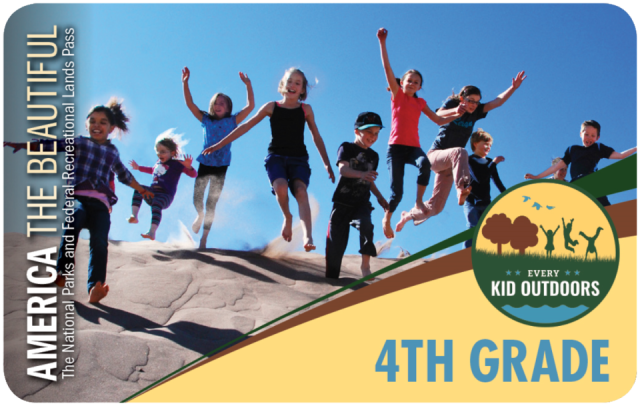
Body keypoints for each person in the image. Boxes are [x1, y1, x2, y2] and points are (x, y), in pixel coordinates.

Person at [2, 98, 153, 303]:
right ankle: (61, 274)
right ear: (87, 125)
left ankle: (95, 287)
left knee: (99, 243)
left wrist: (141, 190)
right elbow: (53, 145)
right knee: (72, 227)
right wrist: (24, 145)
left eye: (102, 122)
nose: (96, 125)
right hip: (78, 199)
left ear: (111, 128)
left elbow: (123, 174)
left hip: (101, 205)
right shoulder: (80, 142)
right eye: (92, 121)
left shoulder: (112, 152)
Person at [203, 67, 335, 251]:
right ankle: (287, 216)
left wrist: (327, 163)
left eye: (297, 83)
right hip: (276, 158)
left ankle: (308, 236)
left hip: (299, 159)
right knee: (280, 187)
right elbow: (245, 126)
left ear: (303, 90)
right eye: (289, 81)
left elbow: (316, 137)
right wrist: (219, 144)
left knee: (301, 191)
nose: (292, 85)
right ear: (282, 84)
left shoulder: (306, 109)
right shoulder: (272, 107)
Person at [396, 71, 527, 232]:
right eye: (470, 100)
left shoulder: (476, 112)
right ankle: (462, 189)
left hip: (452, 167)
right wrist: (456, 111)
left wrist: (512, 88)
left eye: (476, 102)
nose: (473, 105)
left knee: (436, 208)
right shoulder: (453, 103)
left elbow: (497, 102)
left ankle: (407, 216)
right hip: (436, 156)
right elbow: (438, 115)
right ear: (462, 98)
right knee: (461, 152)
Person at [376, 27, 465, 239]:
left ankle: (418, 201)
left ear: (419, 86)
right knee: (396, 192)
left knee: (425, 164)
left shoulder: (420, 102)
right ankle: (387, 217)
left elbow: (438, 120)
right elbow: (387, 68)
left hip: (413, 147)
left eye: (416, 82)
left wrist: (457, 114)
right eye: (409, 80)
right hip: (396, 148)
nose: (412, 83)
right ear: (402, 83)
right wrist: (382, 42)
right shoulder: (397, 95)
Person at [182, 67, 255, 249]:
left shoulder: (232, 121)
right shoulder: (206, 119)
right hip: (206, 162)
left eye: (222, 103)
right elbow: (190, 105)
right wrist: (185, 83)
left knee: (211, 202)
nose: (218, 105)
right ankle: (199, 214)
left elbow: (251, 107)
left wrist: (248, 85)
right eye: (216, 102)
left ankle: (204, 238)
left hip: (221, 165)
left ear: (229, 107)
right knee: (197, 196)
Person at [326, 112, 389, 279]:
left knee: (366, 226)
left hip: (361, 202)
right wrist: (361, 175)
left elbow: (369, 180)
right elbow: (343, 170)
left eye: (376, 133)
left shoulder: (374, 156)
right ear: (357, 131)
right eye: (369, 132)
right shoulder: (346, 147)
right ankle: (332, 280)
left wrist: (380, 197)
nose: (373, 136)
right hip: (342, 202)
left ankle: (366, 266)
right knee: (336, 244)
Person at [525, 120, 638, 206]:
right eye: (586, 134)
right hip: (577, 183)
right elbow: (556, 167)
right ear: (580, 134)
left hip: (592, 181)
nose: (589, 138)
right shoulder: (573, 150)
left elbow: (621, 155)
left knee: (604, 205)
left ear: (597, 137)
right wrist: (537, 176)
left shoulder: (598, 148)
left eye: (593, 136)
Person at [128, 130, 197, 240]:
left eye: (163, 151)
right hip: (153, 192)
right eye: (158, 151)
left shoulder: (177, 164)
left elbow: (193, 175)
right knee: (138, 189)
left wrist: (188, 167)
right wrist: (138, 168)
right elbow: (152, 170)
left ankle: (152, 232)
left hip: (165, 196)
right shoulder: (158, 163)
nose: (160, 154)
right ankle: (134, 216)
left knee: (156, 203)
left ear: (173, 153)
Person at [461, 129, 506, 248]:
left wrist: (507, 194)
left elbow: (497, 182)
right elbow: (479, 178)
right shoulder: (469, 160)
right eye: (486, 144)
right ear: (475, 144)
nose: (488, 147)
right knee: (473, 229)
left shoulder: (490, 162)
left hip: (486, 203)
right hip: (472, 203)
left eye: (490, 145)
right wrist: (494, 164)